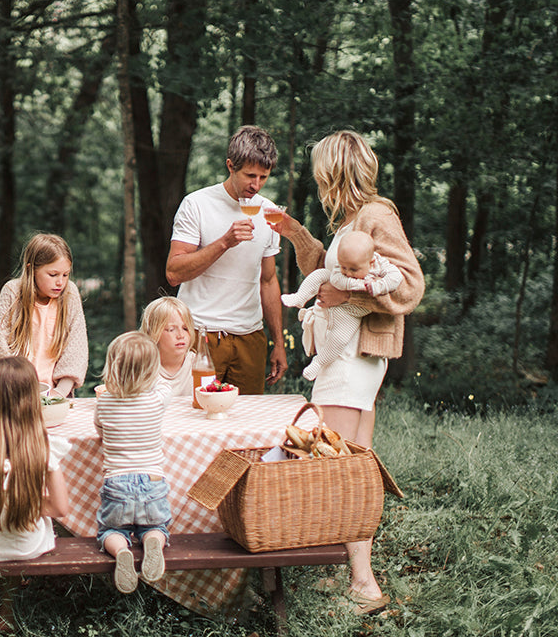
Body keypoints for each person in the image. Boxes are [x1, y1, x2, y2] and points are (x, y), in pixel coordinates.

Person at [272, 130, 424, 615]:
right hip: (345, 357)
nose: (317, 181)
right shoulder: (353, 221)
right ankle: (349, 572)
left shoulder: (377, 216)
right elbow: (328, 270)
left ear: (334, 173)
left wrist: (350, 296)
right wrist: (295, 232)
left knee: (336, 465)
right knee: (351, 465)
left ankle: (362, 582)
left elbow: (409, 284)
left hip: (353, 358)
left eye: (321, 172)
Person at [165, 125, 288, 396]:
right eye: (250, 175)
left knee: (247, 418)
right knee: (195, 413)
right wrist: (224, 243)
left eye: (264, 177)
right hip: (201, 332)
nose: (256, 185)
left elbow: (268, 281)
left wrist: (278, 343)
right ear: (231, 166)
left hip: (250, 336)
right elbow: (173, 273)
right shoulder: (197, 204)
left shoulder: (269, 212)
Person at [0, 356, 71, 562]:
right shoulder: (44, 448)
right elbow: (60, 508)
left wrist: (4, 502)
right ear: (32, 400)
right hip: (27, 547)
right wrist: (23, 502)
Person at [93, 332, 172, 594]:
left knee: (110, 531)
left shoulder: (104, 401)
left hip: (117, 481)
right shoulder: (157, 400)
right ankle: (152, 540)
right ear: (151, 370)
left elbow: (100, 430)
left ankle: (121, 551)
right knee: (156, 526)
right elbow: (164, 385)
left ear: (112, 367)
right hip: (153, 480)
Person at [281, 230, 404, 380]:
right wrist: (358, 284)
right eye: (344, 268)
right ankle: (300, 297)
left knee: (340, 338)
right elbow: (336, 279)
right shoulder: (344, 267)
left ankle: (319, 362)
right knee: (321, 274)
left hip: (353, 312)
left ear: (371, 262)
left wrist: (380, 286)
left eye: (353, 269)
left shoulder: (380, 264)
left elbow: (396, 278)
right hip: (337, 294)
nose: (348, 273)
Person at [0, 234, 88, 399]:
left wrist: (60, 392)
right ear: (31, 269)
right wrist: (16, 390)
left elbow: (76, 348)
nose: (60, 282)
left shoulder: (70, 294)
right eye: (53, 274)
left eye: (65, 275)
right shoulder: (12, 292)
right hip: (12, 394)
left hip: (56, 396)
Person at [139, 296, 198, 401]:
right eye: (171, 329)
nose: (181, 335)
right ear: (153, 333)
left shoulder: (197, 364)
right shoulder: (143, 367)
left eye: (185, 328)